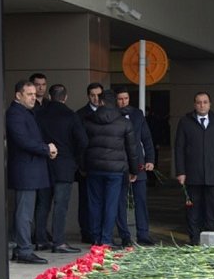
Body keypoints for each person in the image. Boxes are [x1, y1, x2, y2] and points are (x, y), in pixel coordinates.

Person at [6, 79, 58, 264]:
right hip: (25, 171)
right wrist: (46, 148)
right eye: (29, 94)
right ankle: (24, 250)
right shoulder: (15, 113)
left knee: (25, 212)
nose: (33, 98)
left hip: (29, 170)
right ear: (18, 95)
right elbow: (23, 141)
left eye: (35, 95)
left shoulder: (24, 112)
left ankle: (22, 248)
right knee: (24, 213)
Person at [34, 84, 87, 254]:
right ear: (65, 97)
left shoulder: (39, 114)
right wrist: (75, 158)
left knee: (43, 204)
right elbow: (83, 141)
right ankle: (58, 242)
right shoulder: (70, 115)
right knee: (61, 206)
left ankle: (40, 240)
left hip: (43, 164)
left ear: (50, 95)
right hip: (65, 165)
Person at [82, 90, 139, 246]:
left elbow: (82, 146)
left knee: (95, 203)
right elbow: (132, 150)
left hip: (94, 168)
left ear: (100, 102)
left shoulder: (88, 121)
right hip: (116, 169)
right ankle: (106, 239)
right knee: (111, 204)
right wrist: (134, 170)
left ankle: (96, 237)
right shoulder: (124, 122)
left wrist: (83, 166)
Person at [174, 92, 214, 245]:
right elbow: (179, 148)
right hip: (193, 172)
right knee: (193, 208)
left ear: (210, 104)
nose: (202, 105)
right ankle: (194, 239)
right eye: (199, 102)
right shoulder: (185, 122)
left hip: (213, 172)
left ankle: (210, 238)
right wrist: (180, 171)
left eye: (205, 102)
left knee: (211, 207)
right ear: (194, 104)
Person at [114, 87, 156, 246]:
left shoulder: (138, 114)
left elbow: (146, 138)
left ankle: (143, 233)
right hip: (119, 163)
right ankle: (124, 235)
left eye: (125, 98)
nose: (123, 102)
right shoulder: (113, 115)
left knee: (141, 200)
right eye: (120, 99)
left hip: (138, 163)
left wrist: (150, 159)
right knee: (120, 201)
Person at [75, 82, 105, 244]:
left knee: (102, 200)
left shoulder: (108, 112)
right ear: (88, 96)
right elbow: (78, 143)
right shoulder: (80, 114)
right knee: (86, 201)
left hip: (104, 164)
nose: (96, 98)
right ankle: (87, 233)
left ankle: (100, 232)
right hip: (86, 165)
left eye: (99, 95)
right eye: (92, 95)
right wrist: (82, 166)